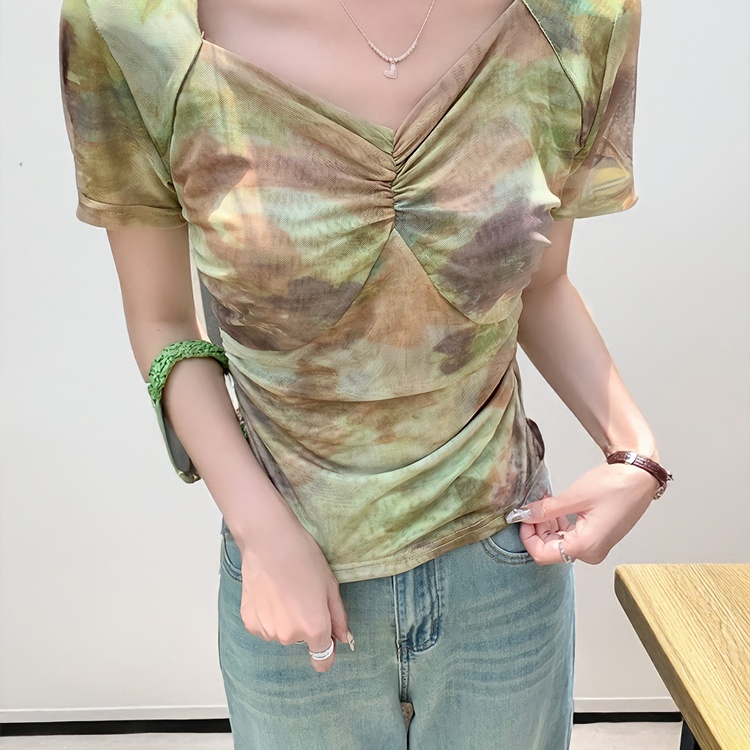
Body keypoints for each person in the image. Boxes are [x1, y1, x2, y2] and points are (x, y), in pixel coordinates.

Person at [58, 0, 672, 747]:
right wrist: (260, 529)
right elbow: (161, 323)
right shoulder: (133, 26)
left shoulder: (577, 18)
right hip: (294, 578)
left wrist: (635, 451)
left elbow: (540, 285)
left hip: (504, 566)